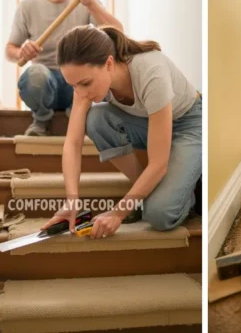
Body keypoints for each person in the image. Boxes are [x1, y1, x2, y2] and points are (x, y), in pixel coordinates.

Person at [41, 25, 202, 237]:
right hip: (146, 122)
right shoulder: (85, 87)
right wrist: (72, 200)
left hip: (189, 122)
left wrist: (118, 213)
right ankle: (146, 194)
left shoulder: (151, 72)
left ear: (108, 63)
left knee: (159, 215)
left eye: (85, 83)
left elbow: (158, 164)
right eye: (73, 86)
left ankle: (187, 196)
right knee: (97, 119)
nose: (80, 93)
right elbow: (73, 143)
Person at [6, 0, 123, 136]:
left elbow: (118, 32)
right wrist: (21, 51)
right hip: (44, 84)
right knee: (34, 75)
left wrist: (91, 4)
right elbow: (10, 51)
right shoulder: (27, 7)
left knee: (102, 72)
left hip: (76, 83)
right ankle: (42, 119)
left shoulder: (87, 2)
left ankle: (77, 113)